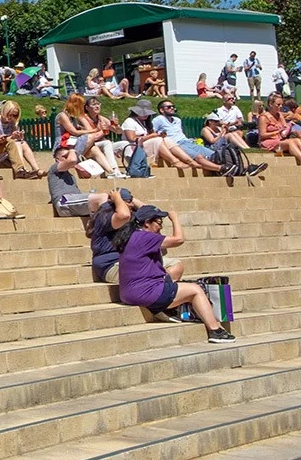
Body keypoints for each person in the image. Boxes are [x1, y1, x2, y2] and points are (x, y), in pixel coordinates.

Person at [114, 207, 234, 344]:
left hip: (129, 293)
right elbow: (178, 239)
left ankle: (169, 309)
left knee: (173, 277)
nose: (160, 227)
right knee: (195, 290)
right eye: (159, 223)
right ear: (147, 223)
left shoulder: (133, 236)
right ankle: (215, 330)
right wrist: (175, 218)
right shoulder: (145, 237)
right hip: (144, 293)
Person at [48, 146, 128, 218]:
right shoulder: (54, 168)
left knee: (116, 198)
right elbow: (72, 160)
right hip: (64, 202)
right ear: (57, 159)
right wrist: (72, 151)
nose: (69, 157)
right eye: (65, 156)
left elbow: (89, 175)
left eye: (68, 155)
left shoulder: (71, 175)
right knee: (103, 197)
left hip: (74, 202)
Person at [151, 99, 227, 174]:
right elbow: (152, 133)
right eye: (168, 107)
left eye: (173, 106)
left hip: (187, 142)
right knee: (198, 157)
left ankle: (224, 167)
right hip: (176, 145)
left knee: (213, 154)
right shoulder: (158, 119)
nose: (172, 108)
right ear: (161, 110)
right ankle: (220, 169)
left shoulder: (177, 120)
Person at [0, 100, 43, 178]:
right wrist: (11, 137)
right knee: (17, 143)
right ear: (5, 112)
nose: (12, 117)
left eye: (15, 115)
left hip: (10, 152)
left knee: (22, 143)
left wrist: (19, 136)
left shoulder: (13, 123)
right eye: (10, 114)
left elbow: (15, 139)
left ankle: (36, 169)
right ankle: (20, 170)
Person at [258, 93, 301, 164]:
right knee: (290, 142)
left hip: (280, 139)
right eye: (278, 105)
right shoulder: (263, 117)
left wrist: (288, 127)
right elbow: (262, 135)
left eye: (281, 104)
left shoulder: (280, 115)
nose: (280, 107)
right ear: (270, 104)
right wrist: (277, 132)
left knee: (296, 140)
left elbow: (284, 128)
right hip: (268, 141)